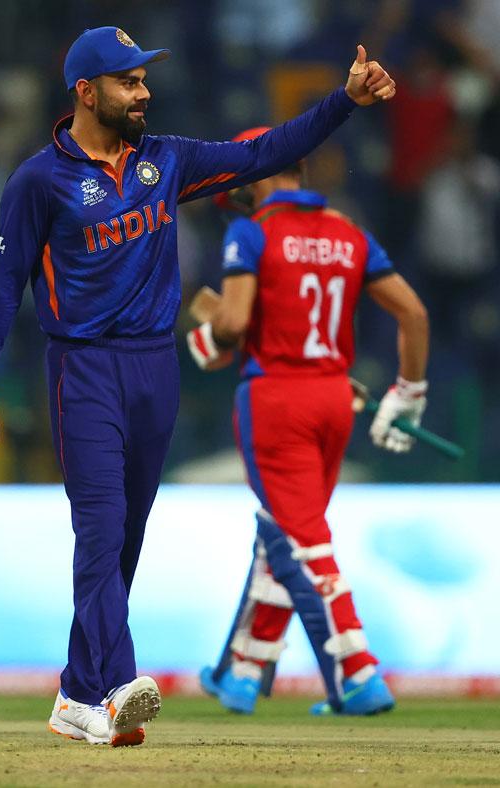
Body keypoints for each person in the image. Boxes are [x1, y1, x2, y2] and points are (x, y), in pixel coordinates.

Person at [0, 26, 396, 747]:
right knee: (98, 530)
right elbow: (4, 287)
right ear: (87, 92)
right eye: (130, 81)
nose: (145, 91)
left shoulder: (167, 160)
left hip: (156, 367)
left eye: (145, 78)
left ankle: (73, 695)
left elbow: (267, 152)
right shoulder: (39, 179)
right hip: (83, 368)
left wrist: (342, 102)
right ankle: (119, 685)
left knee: (125, 537)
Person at [188, 127, 429, 716]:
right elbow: (414, 313)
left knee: (305, 541)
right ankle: (243, 673)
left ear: (257, 175)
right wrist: (410, 390)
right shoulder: (348, 233)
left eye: (239, 186)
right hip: (332, 399)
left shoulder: (253, 231)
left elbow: (235, 323)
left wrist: (203, 330)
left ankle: (358, 672)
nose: (236, 199)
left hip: (277, 403)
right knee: (285, 533)